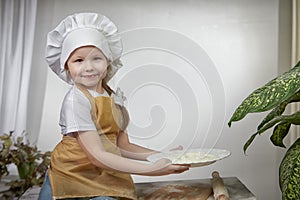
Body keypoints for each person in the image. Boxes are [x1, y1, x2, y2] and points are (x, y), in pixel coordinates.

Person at [38, 12, 190, 200]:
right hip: (71, 175)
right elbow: (96, 154)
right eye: (78, 60)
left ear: (108, 61)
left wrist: (162, 155)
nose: (89, 67)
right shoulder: (75, 101)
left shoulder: (112, 96)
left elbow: (121, 145)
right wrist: (153, 169)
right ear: (66, 66)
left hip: (105, 173)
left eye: (96, 58)